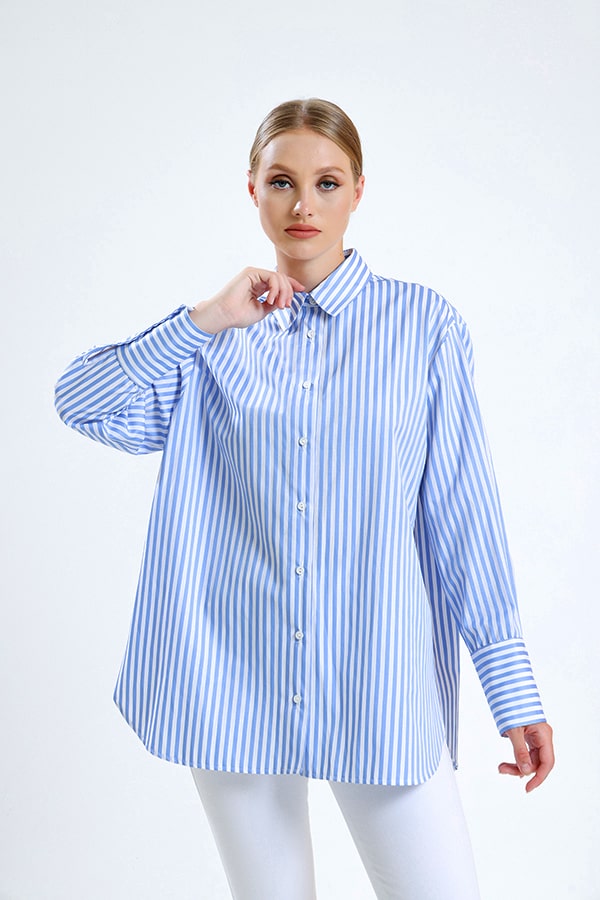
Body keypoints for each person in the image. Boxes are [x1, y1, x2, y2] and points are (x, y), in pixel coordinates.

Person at [55, 98, 554, 900]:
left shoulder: (423, 328)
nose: (303, 205)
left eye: (326, 182)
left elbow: (463, 518)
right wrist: (203, 320)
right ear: (252, 189)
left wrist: (511, 688)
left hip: (376, 681)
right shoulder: (212, 344)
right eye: (282, 181)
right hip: (231, 679)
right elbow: (79, 402)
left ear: (359, 190)